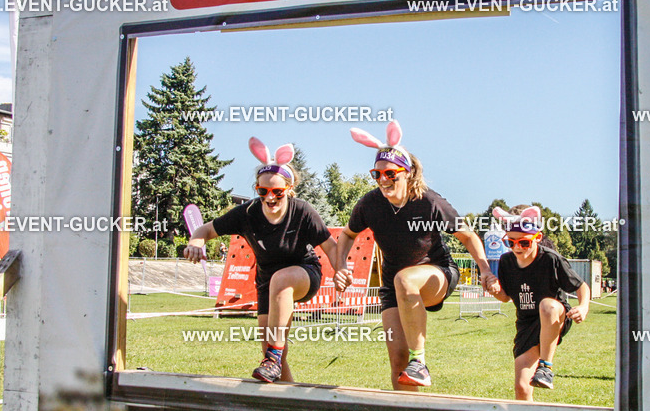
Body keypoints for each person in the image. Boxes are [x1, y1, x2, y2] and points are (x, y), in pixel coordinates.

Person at [334, 121, 494, 390]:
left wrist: (486, 270)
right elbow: (348, 234)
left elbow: (467, 235)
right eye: (377, 174)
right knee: (398, 362)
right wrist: (340, 265)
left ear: (407, 173)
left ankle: (420, 361)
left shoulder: (429, 201)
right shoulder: (370, 204)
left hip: (437, 274)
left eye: (391, 174)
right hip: (392, 289)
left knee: (406, 279)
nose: (383, 180)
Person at [184, 139, 340, 383]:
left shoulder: (303, 211)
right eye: (263, 191)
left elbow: (331, 246)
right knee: (270, 357)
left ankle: (274, 355)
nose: (270, 198)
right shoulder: (247, 213)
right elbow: (205, 230)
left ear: (289, 189)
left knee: (281, 290)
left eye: (277, 192)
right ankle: (288, 401)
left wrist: (342, 270)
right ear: (256, 189)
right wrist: (195, 243)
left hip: (304, 274)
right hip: (266, 284)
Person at [484, 206, 591, 401]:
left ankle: (546, 368)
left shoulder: (550, 259)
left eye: (524, 242)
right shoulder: (506, 261)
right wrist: (494, 289)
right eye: (511, 242)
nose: (517, 248)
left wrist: (583, 307)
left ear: (537, 238)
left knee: (546, 306)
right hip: (527, 323)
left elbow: (581, 286)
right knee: (522, 387)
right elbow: (506, 297)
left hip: (554, 315)